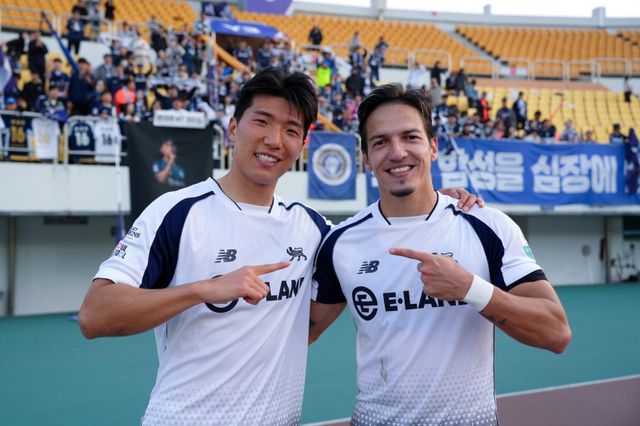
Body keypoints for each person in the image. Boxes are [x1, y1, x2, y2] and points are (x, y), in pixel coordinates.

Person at [78, 69, 479, 425]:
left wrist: (431, 200)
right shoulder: (177, 212)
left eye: (290, 130)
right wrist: (204, 289)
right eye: (262, 122)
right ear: (232, 128)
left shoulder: (312, 229)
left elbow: (373, 236)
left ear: (303, 143)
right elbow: (95, 315)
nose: (273, 140)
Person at [309, 83, 571, 426]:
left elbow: (556, 333)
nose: (397, 152)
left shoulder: (488, 225)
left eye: (410, 137)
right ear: (366, 158)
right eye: (380, 142)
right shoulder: (341, 242)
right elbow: (300, 333)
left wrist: (470, 288)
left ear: (433, 147)